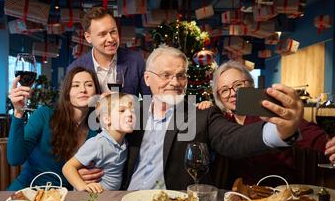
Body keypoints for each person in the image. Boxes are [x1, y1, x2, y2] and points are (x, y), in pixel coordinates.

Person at [79, 45, 306, 191]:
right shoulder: (130, 112)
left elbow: (233, 139)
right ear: (147, 78)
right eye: (166, 75)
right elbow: (104, 142)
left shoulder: (201, 113)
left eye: (180, 76)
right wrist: (88, 168)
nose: (175, 82)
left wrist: (280, 131)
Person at [212, 60, 335, 185]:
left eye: (238, 85)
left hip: (280, 191)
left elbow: (308, 133)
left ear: (251, 85)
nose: (232, 93)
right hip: (240, 197)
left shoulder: (270, 112)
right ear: (219, 97)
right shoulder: (223, 122)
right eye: (224, 90)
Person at [7, 66, 102, 190]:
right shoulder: (44, 115)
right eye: (75, 85)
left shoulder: (97, 129)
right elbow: (15, 159)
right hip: (28, 190)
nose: (83, 90)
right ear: (67, 92)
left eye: (89, 85)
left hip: (65, 198)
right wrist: (18, 113)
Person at [67, 6, 151, 96]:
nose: (110, 39)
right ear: (88, 37)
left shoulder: (136, 61)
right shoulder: (75, 69)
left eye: (113, 32)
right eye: (102, 34)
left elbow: (148, 98)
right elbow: (71, 106)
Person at [63, 93, 136, 193]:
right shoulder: (98, 143)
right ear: (107, 119)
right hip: (90, 199)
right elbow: (68, 167)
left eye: (132, 111)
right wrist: (83, 187)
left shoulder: (125, 142)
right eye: (122, 110)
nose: (130, 114)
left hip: (109, 198)